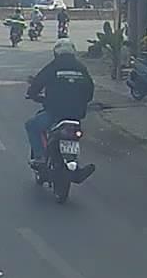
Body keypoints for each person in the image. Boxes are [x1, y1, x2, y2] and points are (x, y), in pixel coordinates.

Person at [25, 38, 96, 182]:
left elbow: (37, 83)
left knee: (31, 126)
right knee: (74, 137)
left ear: (56, 53)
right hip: (76, 115)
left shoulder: (53, 67)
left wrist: (32, 94)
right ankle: (74, 166)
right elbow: (90, 91)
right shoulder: (81, 68)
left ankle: (40, 158)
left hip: (55, 113)